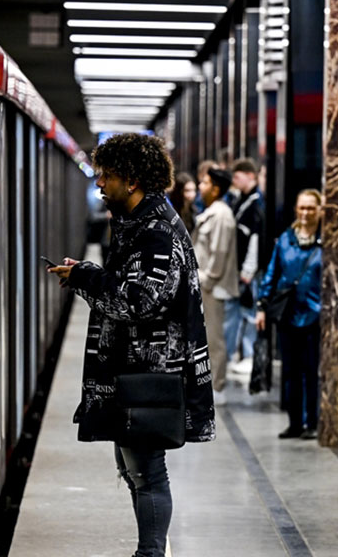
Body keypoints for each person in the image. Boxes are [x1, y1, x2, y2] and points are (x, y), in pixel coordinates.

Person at [46, 133, 215, 557]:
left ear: (133, 179)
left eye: (107, 176)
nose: (100, 184)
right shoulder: (139, 223)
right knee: (136, 467)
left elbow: (138, 301)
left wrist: (85, 276)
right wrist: (86, 274)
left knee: (147, 471)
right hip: (138, 370)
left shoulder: (156, 232)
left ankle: (150, 553)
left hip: (150, 372)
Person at [255, 189, 324, 440]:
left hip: (315, 315)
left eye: (311, 208)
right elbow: (272, 273)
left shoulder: (324, 242)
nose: (306, 213)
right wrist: (262, 305)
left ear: (319, 210)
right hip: (288, 314)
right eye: (302, 208)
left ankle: (313, 422)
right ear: (296, 209)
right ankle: (295, 422)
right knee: (291, 371)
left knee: (311, 370)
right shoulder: (285, 239)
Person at [193, 167, 238, 403]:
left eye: (205, 183)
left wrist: (206, 280)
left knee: (214, 339)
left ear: (216, 189)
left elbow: (219, 252)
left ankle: (217, 387)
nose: (201, 187)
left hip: (212, 286)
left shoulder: (221, 215)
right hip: (206, 284)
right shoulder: (212, 212)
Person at [227, 159, 264, 375]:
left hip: (248, 269)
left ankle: (249, 355)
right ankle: (243, 353)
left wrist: (249, 270)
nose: (235, 181)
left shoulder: (255, 203)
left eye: (238, 176)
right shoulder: (242, 200)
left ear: (250, 175)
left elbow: (255, 239)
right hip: (241, 267)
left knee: (250, 313)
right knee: (243, 312)